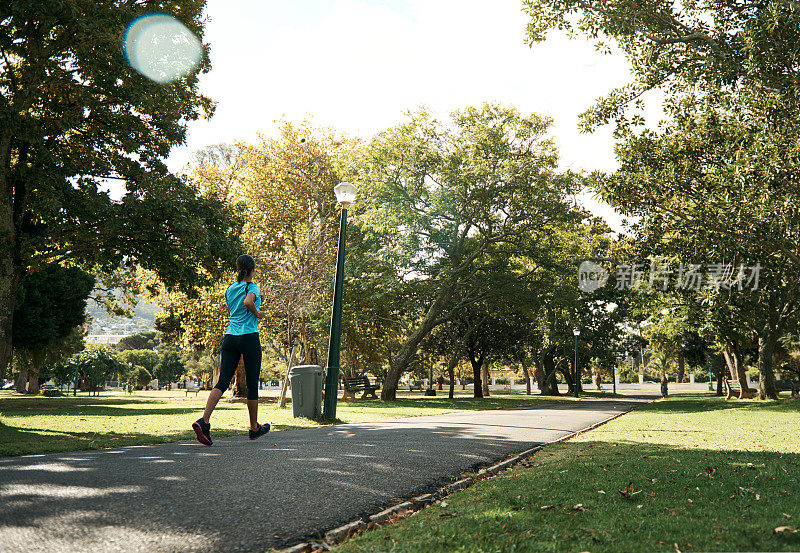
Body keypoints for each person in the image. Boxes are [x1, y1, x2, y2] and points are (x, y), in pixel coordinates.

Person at [192, 254, 270, 445]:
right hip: (249, 336)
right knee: (252, 384)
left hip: (230, 338)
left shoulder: (230, 289)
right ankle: (254, 428)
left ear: (238, 269)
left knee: (223, 381)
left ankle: (204, 421)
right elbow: (248, 302)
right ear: (252, 270)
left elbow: (235, 308)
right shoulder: (252, 287)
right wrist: (257, 313)